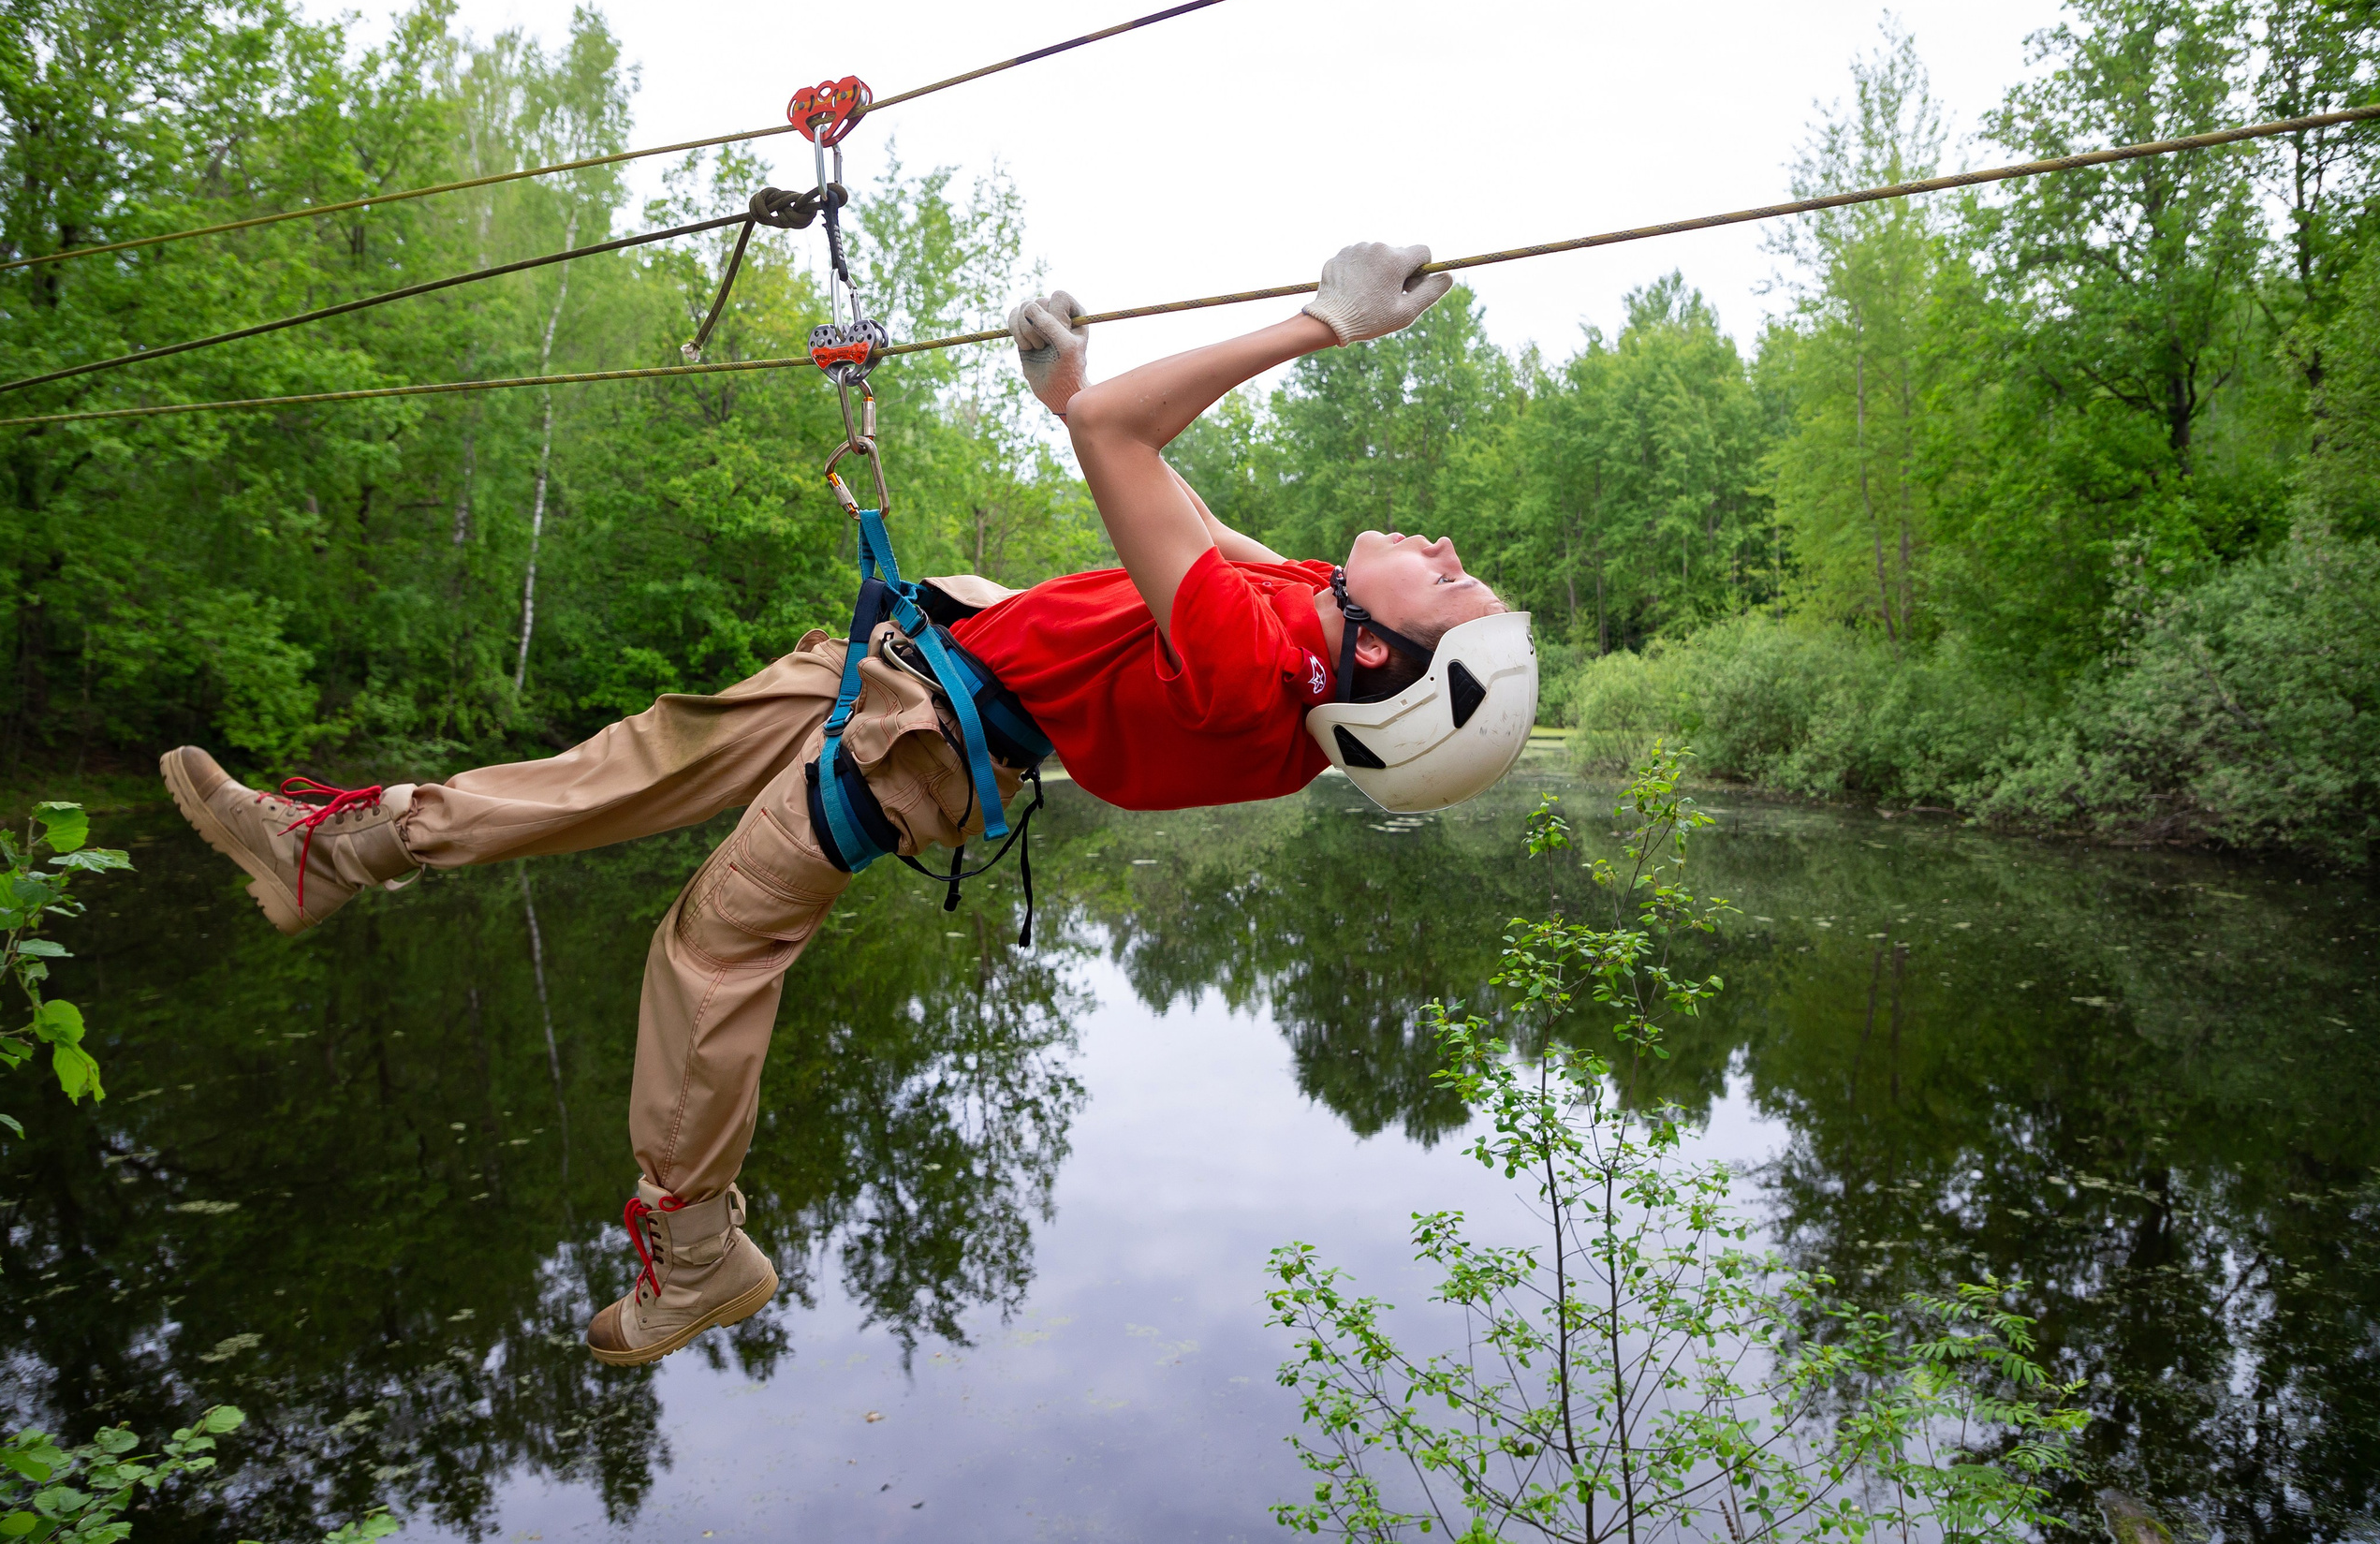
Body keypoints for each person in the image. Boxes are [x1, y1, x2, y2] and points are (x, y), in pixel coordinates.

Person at [157, 241, 1536, 1367]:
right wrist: (1073, 401)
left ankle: (698, 1259)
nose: (1449, 548)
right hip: (913, 670)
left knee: (708, 957)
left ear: (1389, 666)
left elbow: (1134, 441)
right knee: (641, 759)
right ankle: (338, 850)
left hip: (911, 747)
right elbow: (1153, 487)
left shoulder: (1259, 673)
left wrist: (1317, 325)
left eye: (1456, 586)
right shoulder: (1301, 631)